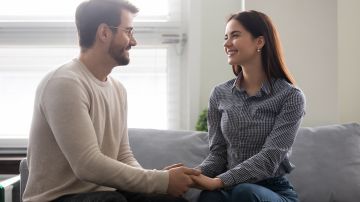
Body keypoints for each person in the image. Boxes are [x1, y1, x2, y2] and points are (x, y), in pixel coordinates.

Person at [23, 0, 200, 201]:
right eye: (128, 31)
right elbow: (87, 165)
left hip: (102, 194)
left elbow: (123, 155)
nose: (134, 41)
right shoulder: (65, 83)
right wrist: (160, 180)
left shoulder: (117, 89)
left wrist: (155, 185)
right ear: (105, 33)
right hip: (56, 198)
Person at [190, 10, 305, 202]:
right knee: (209, 197)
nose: (226, 44)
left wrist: (219, 182)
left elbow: (270, 158)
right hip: (231, 188)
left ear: (259, 42)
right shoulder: (219, 94)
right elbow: (218, 155)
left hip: (273, 191)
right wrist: (193, 173)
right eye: (226, 37)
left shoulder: (290, 96)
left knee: (244, 192)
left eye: (235, 36)